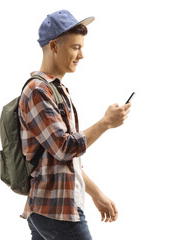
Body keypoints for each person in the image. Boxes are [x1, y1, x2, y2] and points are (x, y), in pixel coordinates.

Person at [18, 10, 131, 240]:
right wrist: (106, 122)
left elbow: (65, 161)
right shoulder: (38, 91)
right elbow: (64, 147)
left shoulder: (56, 91)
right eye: (75, 47)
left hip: (49, 210)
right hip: (57, 213)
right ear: (54, 47)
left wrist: (96, 194)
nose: (81, 55)